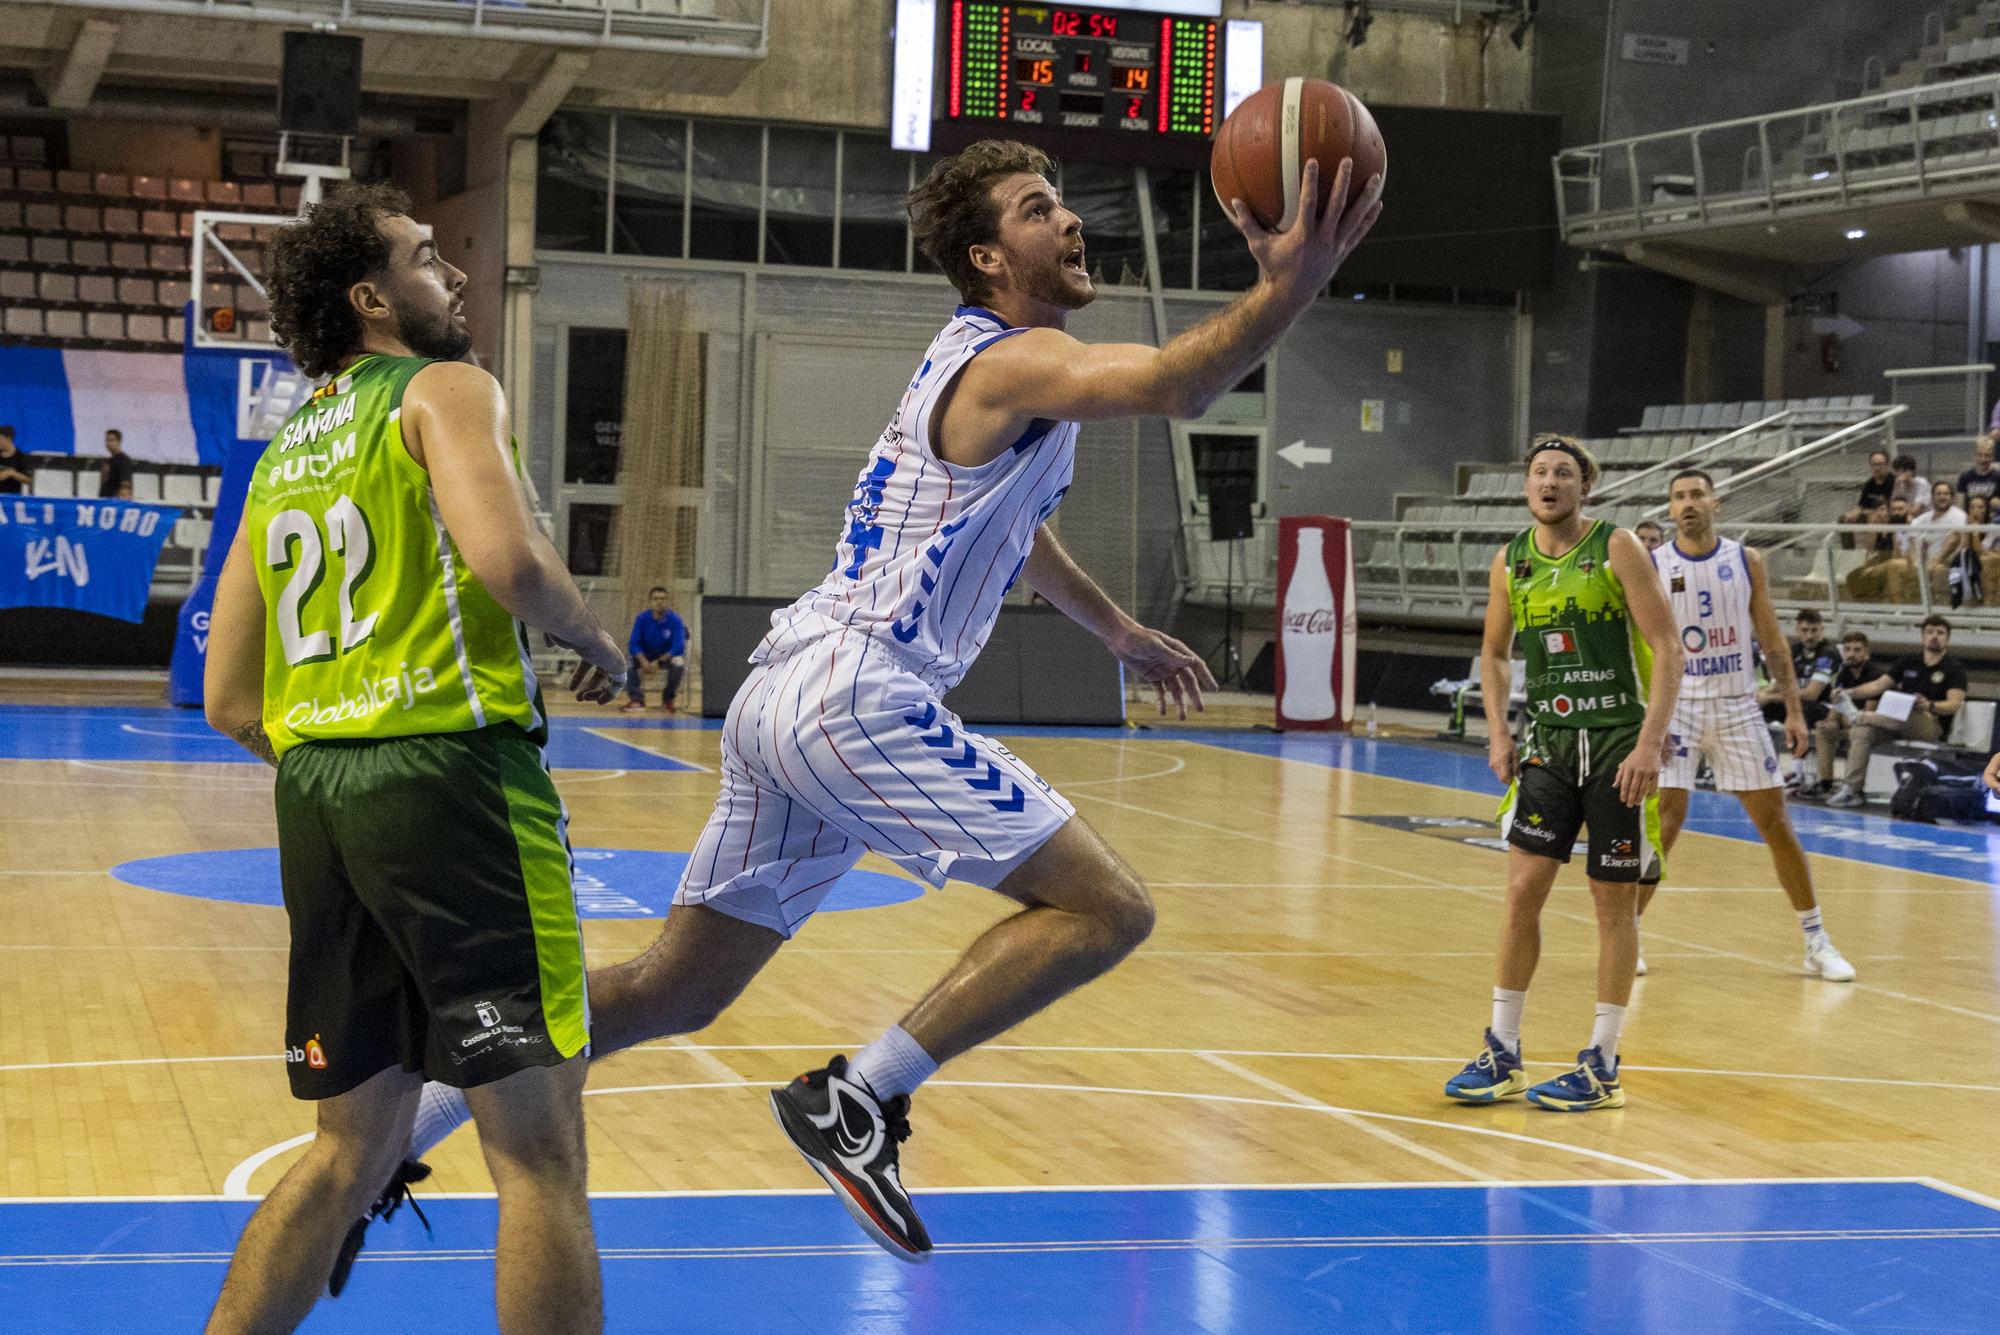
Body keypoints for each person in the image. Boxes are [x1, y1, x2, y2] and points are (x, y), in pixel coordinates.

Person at [382, 140, 1381, 1261]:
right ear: (986, 256)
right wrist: (1287, 284)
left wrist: (1113, 629)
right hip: (854, 694)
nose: (1067, 222)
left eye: (1060, 201)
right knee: (1108, 910)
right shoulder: (1011, 361)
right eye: (1037, 208)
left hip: (787, 689)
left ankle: (407, 1119)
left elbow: (1024, 530)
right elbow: (1179, 386)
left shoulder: (986, 372)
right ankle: (858, 1099)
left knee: (677, 989)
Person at [198, 182, 626, 1335]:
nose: (458, 275)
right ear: (370, 298)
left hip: (319, 793)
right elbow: (513, 563)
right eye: (429, 257)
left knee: (349, 1151)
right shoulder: (444, 387)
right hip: (451, 779)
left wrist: (339, 749)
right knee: (537, 1155)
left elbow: (228, 697)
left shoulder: (284, 451)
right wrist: (596, 637)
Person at [1444, 434, 1682, 1113]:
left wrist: (1649, 743)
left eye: (1564, 473)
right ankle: (1502, 1047)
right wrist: (1497, 728)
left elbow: (1666, 648)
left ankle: (1604, 1062)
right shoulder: (1510, 561)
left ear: (1585, 488)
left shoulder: (1617, 548)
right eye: (1540, 472)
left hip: (1616, 747)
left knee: (1614, 901)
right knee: (1522, 891)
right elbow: (1493, 653)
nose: (1549, 481)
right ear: (1527, 486)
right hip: (1548, 744)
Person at [1637, 470, 1854, 982]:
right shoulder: (1651, 564)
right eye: (1678, 497)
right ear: (1670, 509)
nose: (1687, 504)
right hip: (1677, 706)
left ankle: (1815, 939)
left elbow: (1773, 642)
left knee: (1775, 823)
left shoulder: (1746, 559)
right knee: (1665, 821)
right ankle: (1630, 929)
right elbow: (1638, 644)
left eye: (1696, 495)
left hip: (1737, 704)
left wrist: (1795, 710)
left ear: (1714, 501)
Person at [1826, 614, 1969, 806]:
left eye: (1940, 633)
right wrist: (1847, 692)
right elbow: (1877, 686)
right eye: (1930, 632)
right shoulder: (1909, 660)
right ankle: (1852, 790)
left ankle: (1861, 716)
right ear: (1922, 637)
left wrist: (1930, 705)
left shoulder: (1954, 668)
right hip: (1894, 723)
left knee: (1909, 711)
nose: (1934, 636)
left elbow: (1954, 704)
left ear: (1947, 639)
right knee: (1863, 731)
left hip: (1930, 725)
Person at [1806, 631, 1894, 799]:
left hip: (1875, 728)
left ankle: (1852, 788)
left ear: (1866, 653)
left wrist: (1840, 720)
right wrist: (1831, 721)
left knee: (1858, 732)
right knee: (1823, 730)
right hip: (1851, 723)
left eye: (1857, 650)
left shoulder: (1876, 675)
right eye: (1847, 650)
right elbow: (1838, 703)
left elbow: (1869, 714)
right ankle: (1825, 783)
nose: (1851, 654)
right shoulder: (1844, 672)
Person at [1759, 608, 1837, 732]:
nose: (1809, 636)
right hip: (1796, 702)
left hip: (1822, 706)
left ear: (1821, 629)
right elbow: (1780, 684)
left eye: (1814, 630)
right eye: (1805, 630)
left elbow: (1811, 694)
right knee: (1761, 707)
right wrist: (1761, 695)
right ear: (1797, 630)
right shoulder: (1793, 651)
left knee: (1802, 705)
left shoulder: (1827, 654)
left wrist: (1771, 697)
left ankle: (1798, 747)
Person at [620, 585, 687, 713]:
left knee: (679, 663)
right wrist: (643, 660)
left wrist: (659, 662)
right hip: (645, 656)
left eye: (662, 599)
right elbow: (634, 642)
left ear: (667, 601)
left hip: (665, 657)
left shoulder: (675, 620)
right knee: (627, 661)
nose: (659, 602)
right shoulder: (642, 618)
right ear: (650, 602)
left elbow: (678, 646)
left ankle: (668, 699)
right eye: (656, 599)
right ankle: (637, 699)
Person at [1844, 495, 1916, 603]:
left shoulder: (1912, 524)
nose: (1896, 512)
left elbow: (1902, 554)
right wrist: (1872, 527)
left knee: (1890, 568)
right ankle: (1867, 610)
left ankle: (1898, 609)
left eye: (1900, 509)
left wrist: (1877, 567)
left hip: (1902, 561)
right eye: (1894, 510)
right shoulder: (1885, 526)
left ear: (1908, 509)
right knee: (1853, 575)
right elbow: (1871, 549)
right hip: (1885, 559)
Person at [1936, 493, 1994, 608]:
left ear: (1987, 510)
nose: (1976, 510)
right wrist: (1967, 530)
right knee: (1955, 537)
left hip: (1984, 565)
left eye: (1980, 507)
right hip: (1966, 561)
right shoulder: (1965, 525)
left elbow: (1979, 551)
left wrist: (1975, 529)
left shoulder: (1992, 527)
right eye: (1972, 507)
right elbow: (1964, 549)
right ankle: (1934, 563)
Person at [1839, 449, 1896, 545]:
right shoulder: (1869, 483)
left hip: (1887, 515)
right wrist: (1853, 513)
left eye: (1880, 464)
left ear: (1887, 465)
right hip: (1868, 514)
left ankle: (1870, 555)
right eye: (1874, 464)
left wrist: (1868, 511)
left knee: (1873, 517)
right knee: (1844, 519)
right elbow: (1861, 505)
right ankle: (1848, 552)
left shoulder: (1894, 482)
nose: (1877, 468)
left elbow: (1894, 506)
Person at [1907, 479, 1967, 569]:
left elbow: (1953, 542)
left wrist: (1933, 563)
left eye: (1946, 494)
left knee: (1938, 569)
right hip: (1921, 565)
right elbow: (1912, 542)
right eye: (1938, 494)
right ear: (1932, 497)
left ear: (1952, 497)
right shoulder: (1921, 519)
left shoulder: (1959, 515)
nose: (1942, 497)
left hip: (1946, 564)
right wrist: (1915, 564)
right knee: (1895, 564)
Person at [1959, 436, 1999, 507]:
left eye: (1987, 455)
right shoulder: (1964, 477)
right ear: (1974, 455)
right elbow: (1960, 507)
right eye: (1979, 454)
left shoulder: (1998, 477)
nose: (1983, 459)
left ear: (1993, 457)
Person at [99, 428, 135, 499]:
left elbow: (126, 485)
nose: (108, 443)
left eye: (111, 440)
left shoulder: (123, 460)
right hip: (104, 502)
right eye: (107, 440)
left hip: (115, 504)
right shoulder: (108, 461)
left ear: (118, 442)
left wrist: (119, 503)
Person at [0, 425, 34, 494]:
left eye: (0, 439)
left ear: (9, 439)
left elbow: (30, 480)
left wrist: (12, 473)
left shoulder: (21, 457)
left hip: (13, 499)